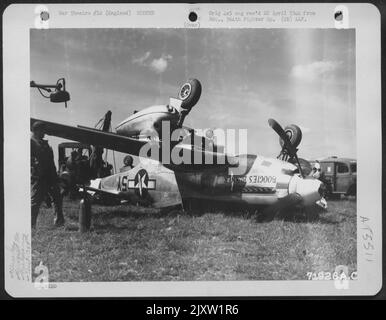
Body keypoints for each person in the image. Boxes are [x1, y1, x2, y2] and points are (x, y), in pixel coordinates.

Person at [31, 121, 65, 228]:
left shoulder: (45, 144)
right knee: (36, 201)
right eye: (42, 130)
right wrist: (35, 169)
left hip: (51, 177)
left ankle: (59, 222)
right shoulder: (31, 143)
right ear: (36, 131)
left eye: (44, 130)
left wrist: (55, 177)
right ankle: (31, 224)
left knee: (57, 198)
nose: (44, 132)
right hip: (39, 177)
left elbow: (51, 162)